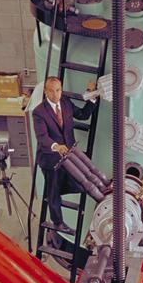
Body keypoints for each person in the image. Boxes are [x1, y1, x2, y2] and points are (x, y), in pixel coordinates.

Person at [32, 76, 96, 232]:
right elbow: (42, 137)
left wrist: (91, 94)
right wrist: (56, 146)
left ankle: (63, 188)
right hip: (50, 158)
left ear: (61, 90)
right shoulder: (39, 112)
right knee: (53, 192)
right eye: (51, 91)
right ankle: (58, 222)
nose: (55, 94)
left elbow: (83, 115)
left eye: (58, 90)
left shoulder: (66, 103)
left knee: (81, 183)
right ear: (45, 91)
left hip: (68, 155)